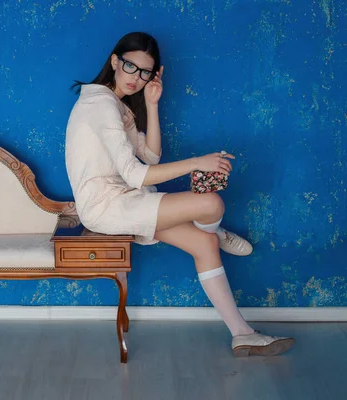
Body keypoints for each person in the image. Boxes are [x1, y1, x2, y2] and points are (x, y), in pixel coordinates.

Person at [64, 32, 295, 357]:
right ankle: (211, 225)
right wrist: (198, 163)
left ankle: (242, 334)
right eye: (130, 67)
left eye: (145, 72)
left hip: (126, 199)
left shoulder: (117, 106)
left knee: (204, 244)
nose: (137, 78)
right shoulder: (100, 104)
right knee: (211, 203)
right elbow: (136, 174)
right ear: (115, 61)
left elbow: (151, 157)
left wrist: (152, 104)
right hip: (107, 206)